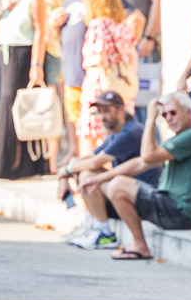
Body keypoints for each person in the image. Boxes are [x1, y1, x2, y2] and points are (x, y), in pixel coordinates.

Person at [80, 92, 191, 260]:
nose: (169, 118)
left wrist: (150, 119)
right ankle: (99, 228)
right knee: (111, 181)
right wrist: (97, 179)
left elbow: (147, 156)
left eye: (173, 113)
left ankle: (140, 246)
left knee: (117, 185)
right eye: (164, 114)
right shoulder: (183, 137)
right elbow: (141, 163)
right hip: (169, 204)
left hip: (180, 213)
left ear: (188, 112)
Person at [62, 91, 161, 249]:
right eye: (99, 112)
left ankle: (105, 232)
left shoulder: (131, 131)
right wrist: (66, 172)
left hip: (140, 195)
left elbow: (95, 163)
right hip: (125, 192)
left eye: (106, 111)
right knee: (83, 170)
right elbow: (88, 159)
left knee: (88, 174)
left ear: (120, 110)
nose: (102, 117)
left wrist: (67, 170)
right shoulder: (115, 132)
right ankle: (92, 223)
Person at [0, 0, 50, 179]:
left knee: (20, 106)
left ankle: (26, 164)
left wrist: (37, 64)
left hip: (24, 54)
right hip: (4, 52)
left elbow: (40, 31)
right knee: (7, 104)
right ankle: (7, 164)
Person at [76, 0, 139, 152]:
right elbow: (133, 57)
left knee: (91, 133)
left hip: (100, 85)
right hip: (121, 85)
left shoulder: (98, 25)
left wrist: (85, 62)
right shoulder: (123, 26)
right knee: (116, 132)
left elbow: (100, 59)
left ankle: (87, 172)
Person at [48, 0, 95, 158]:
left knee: (92, 115)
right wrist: (55, 24)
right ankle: (74, 151)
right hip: (71, 66)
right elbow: (60, 33)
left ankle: (89, 156)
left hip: (92, 70)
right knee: (72, 112)